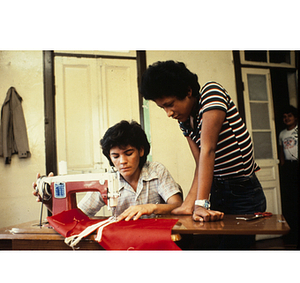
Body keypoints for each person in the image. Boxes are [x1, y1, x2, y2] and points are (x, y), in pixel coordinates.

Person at [141, 60, 267, 249]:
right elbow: (200, 163)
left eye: (170, 104)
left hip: (243, 192)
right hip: (218, 188)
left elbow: (209, 150)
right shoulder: (185, 120)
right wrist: (189, 204)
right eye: (163, 108)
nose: (168, 113)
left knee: (236, 248)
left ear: (188, 91)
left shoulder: (211, 93)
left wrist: (200, 204)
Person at [33, 120, 182, 222]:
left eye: (129, 153)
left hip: (157, 238)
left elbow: (178, 206)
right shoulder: (107, 181)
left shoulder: (156, 171)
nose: (122, 161)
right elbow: (76, 217)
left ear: (141, 151)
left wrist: (150, 208)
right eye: (115, 156)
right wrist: (49, 201)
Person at [278, 105, 298, 245]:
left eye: (289, 116)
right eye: (284, 117)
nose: (287, 119)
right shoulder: (282, 134)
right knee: (292, 197)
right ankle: (292, 231)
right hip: (289, 167)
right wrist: (283, 165)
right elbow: (281, 151)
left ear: (295, 117)